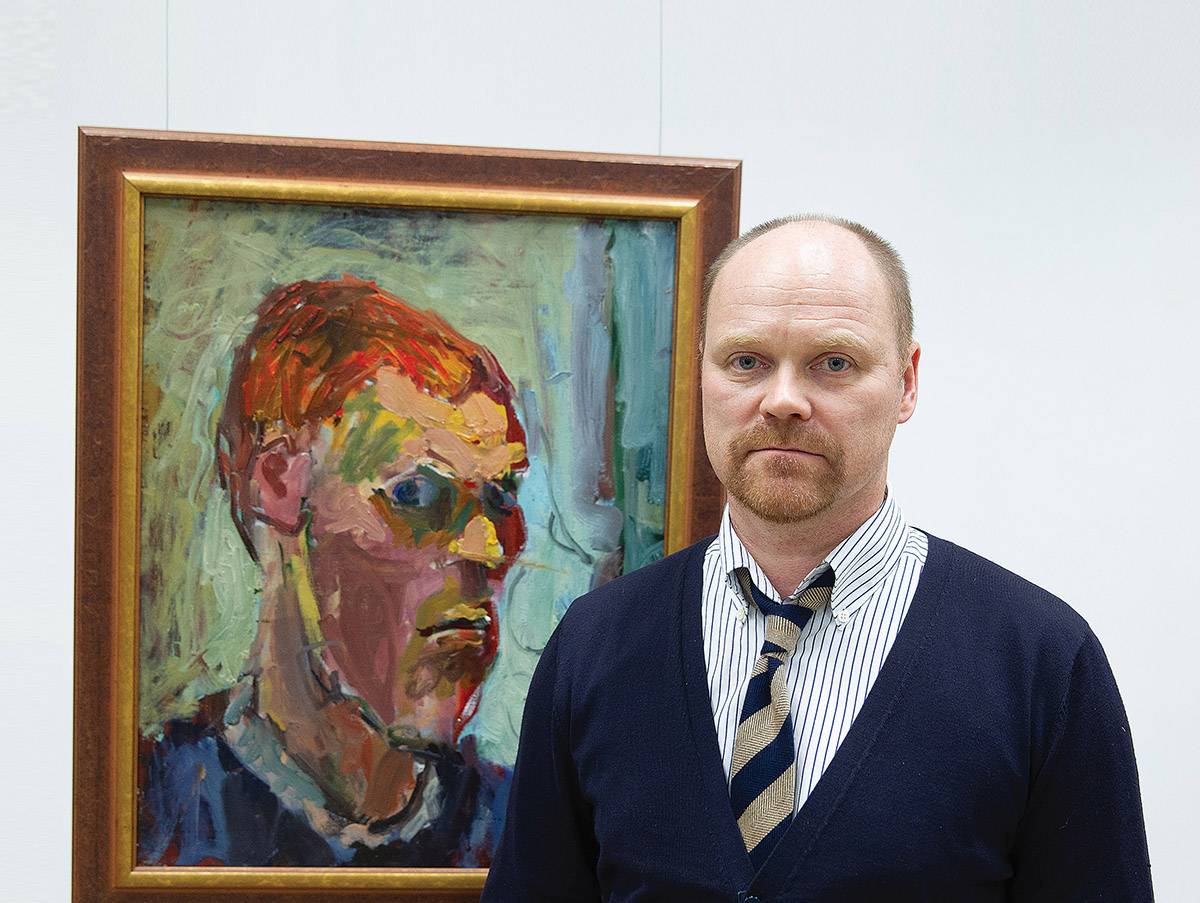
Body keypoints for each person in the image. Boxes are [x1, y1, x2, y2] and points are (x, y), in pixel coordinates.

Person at [482, 216, 1153, 901]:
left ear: (907, 382)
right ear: (701, 373)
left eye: (833, 363)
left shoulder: (1042, 662)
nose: (782, 401)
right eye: (746, 361)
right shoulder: (593, 646)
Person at [138, 275, 529, 867]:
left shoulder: (520, 829)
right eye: (416, 493)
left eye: (500, 499)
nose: (491, 548)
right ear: (279, 486)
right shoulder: (152, 812)